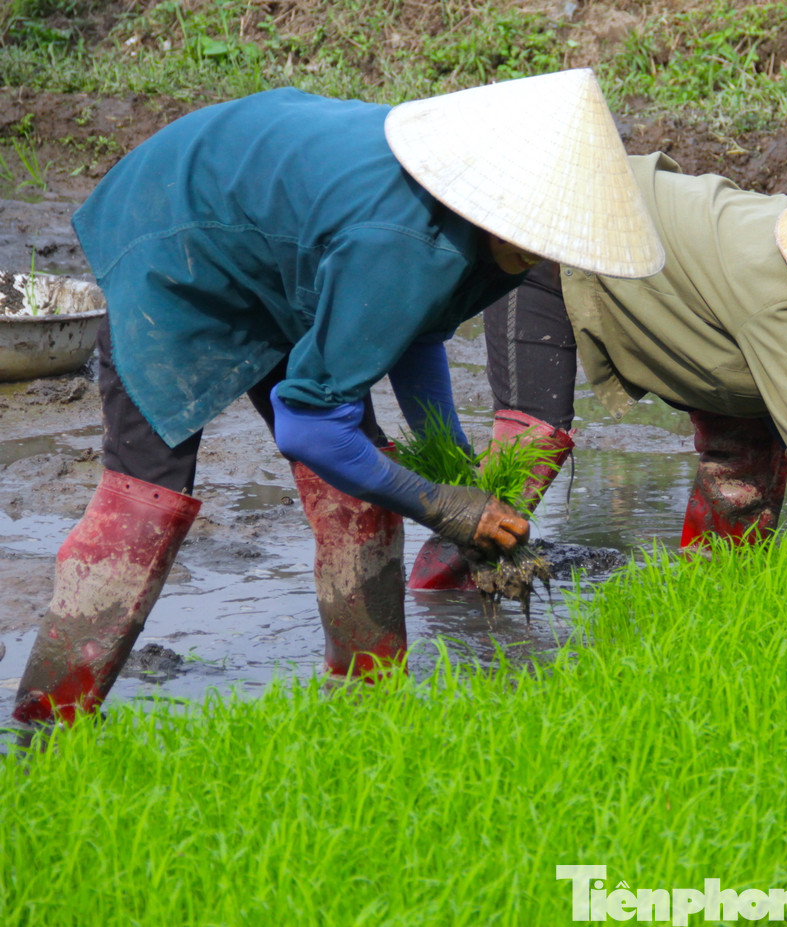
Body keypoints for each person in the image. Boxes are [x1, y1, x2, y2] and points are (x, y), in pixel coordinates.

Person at [11, 69, 665, 726]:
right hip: (177, 228)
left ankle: (368, 708)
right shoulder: (403, 238)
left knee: (361, 489)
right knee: (145, 503)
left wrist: (456, 470)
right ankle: (48, 726)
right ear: (512, 204)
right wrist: (445, 507)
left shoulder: (487, 239)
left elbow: (416, 334)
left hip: (276, 244)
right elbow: (309, 426)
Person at [408, 153, 787, 590]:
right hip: (563, 241)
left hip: (659, 254)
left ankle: (712, 600)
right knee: (529, 446)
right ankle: (437, 595)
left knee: (751, 442)